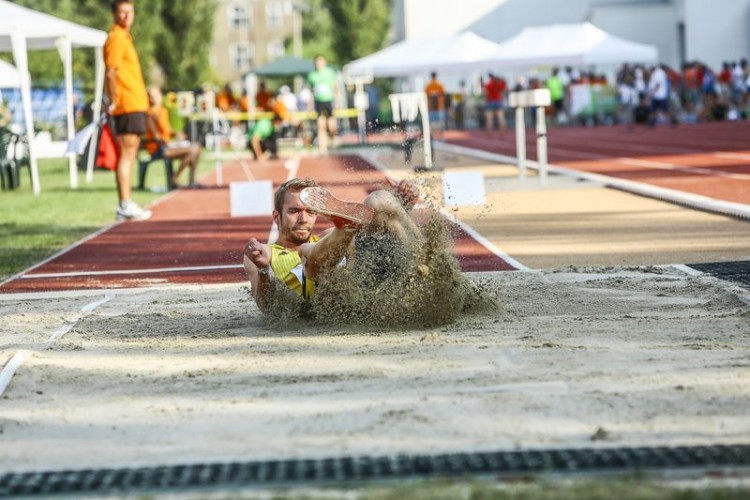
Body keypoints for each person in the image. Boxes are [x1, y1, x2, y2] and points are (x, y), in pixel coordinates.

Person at [242, 177, 421, 314]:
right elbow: (266, 307)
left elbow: (380, 238)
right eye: (294, 211)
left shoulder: (327, 237)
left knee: (379, 199)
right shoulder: (264, 252)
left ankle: (424, 255)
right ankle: (349, 226)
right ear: (276, 217)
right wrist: (264, 269)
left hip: (358, 296)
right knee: (306, 252)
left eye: (311, 212)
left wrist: (401, 205)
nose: (303, 219)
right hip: (316, 308)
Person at [104, 0, 151, 221]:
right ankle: (124, 204)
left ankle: (126, 202)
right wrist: (113, 100)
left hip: (135, 104)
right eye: (121, 12)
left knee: (131, 153)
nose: (125, 16)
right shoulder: (115, 38)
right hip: (126, 105)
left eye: (129, 12)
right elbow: (111, 72)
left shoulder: (125, 38)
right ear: (114, 14)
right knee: (127, 152)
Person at [145, 86, 203, 188]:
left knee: (197, 147)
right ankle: (175, 177)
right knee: (193, 149)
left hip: (166, 144)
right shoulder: (150, 113)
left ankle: (192, 180)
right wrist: (169, 142)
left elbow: (167, 130)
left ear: (160, 96)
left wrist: (176, 133)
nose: (152, 98)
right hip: (158, 148)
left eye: (155, 95)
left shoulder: (163, 110)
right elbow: (157, 136)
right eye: (150, 96)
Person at [307, 55, 340, 154]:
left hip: (329, 101)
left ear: (324, 63)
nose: (319, 65)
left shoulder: (329, 73)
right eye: (317, 63)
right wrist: (310, 104)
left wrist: (338, 101)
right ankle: (322, 147)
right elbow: (310, 91)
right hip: (319, 102)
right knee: (321, 126)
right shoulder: (312, 75)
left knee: (332, 127)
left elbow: (335, 87)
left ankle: (332, 140)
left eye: (321, 63)